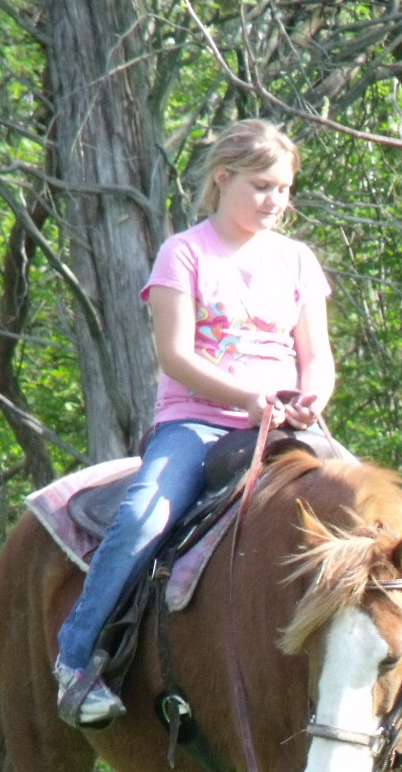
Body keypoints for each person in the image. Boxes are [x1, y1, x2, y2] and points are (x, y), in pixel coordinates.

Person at [54, 118, 335, 726]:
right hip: (199, 425)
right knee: (142, 517)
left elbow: (317, 356)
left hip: (287, 425)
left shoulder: (297, 260)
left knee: (375, 514)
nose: (275, 201)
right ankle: (77, 662)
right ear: (222, 178)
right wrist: (250, 398)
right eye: (261, 185)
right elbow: (176, 355)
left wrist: (313, 395)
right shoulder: (184, 252)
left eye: (284, 189)